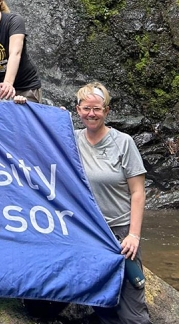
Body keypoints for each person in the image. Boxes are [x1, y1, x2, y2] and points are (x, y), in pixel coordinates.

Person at [74, 82, 150, 324]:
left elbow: (138, 192)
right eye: (86, 108)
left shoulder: (123, 142)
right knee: (101, 305)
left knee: (133, 315)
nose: (91, 114)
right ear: (78, 110)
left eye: (97, 109)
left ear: (106, 111)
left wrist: (134, 236)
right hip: (89, 234)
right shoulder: (70, 140)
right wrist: (20, 102)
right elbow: (32, 136)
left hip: (120, 235)